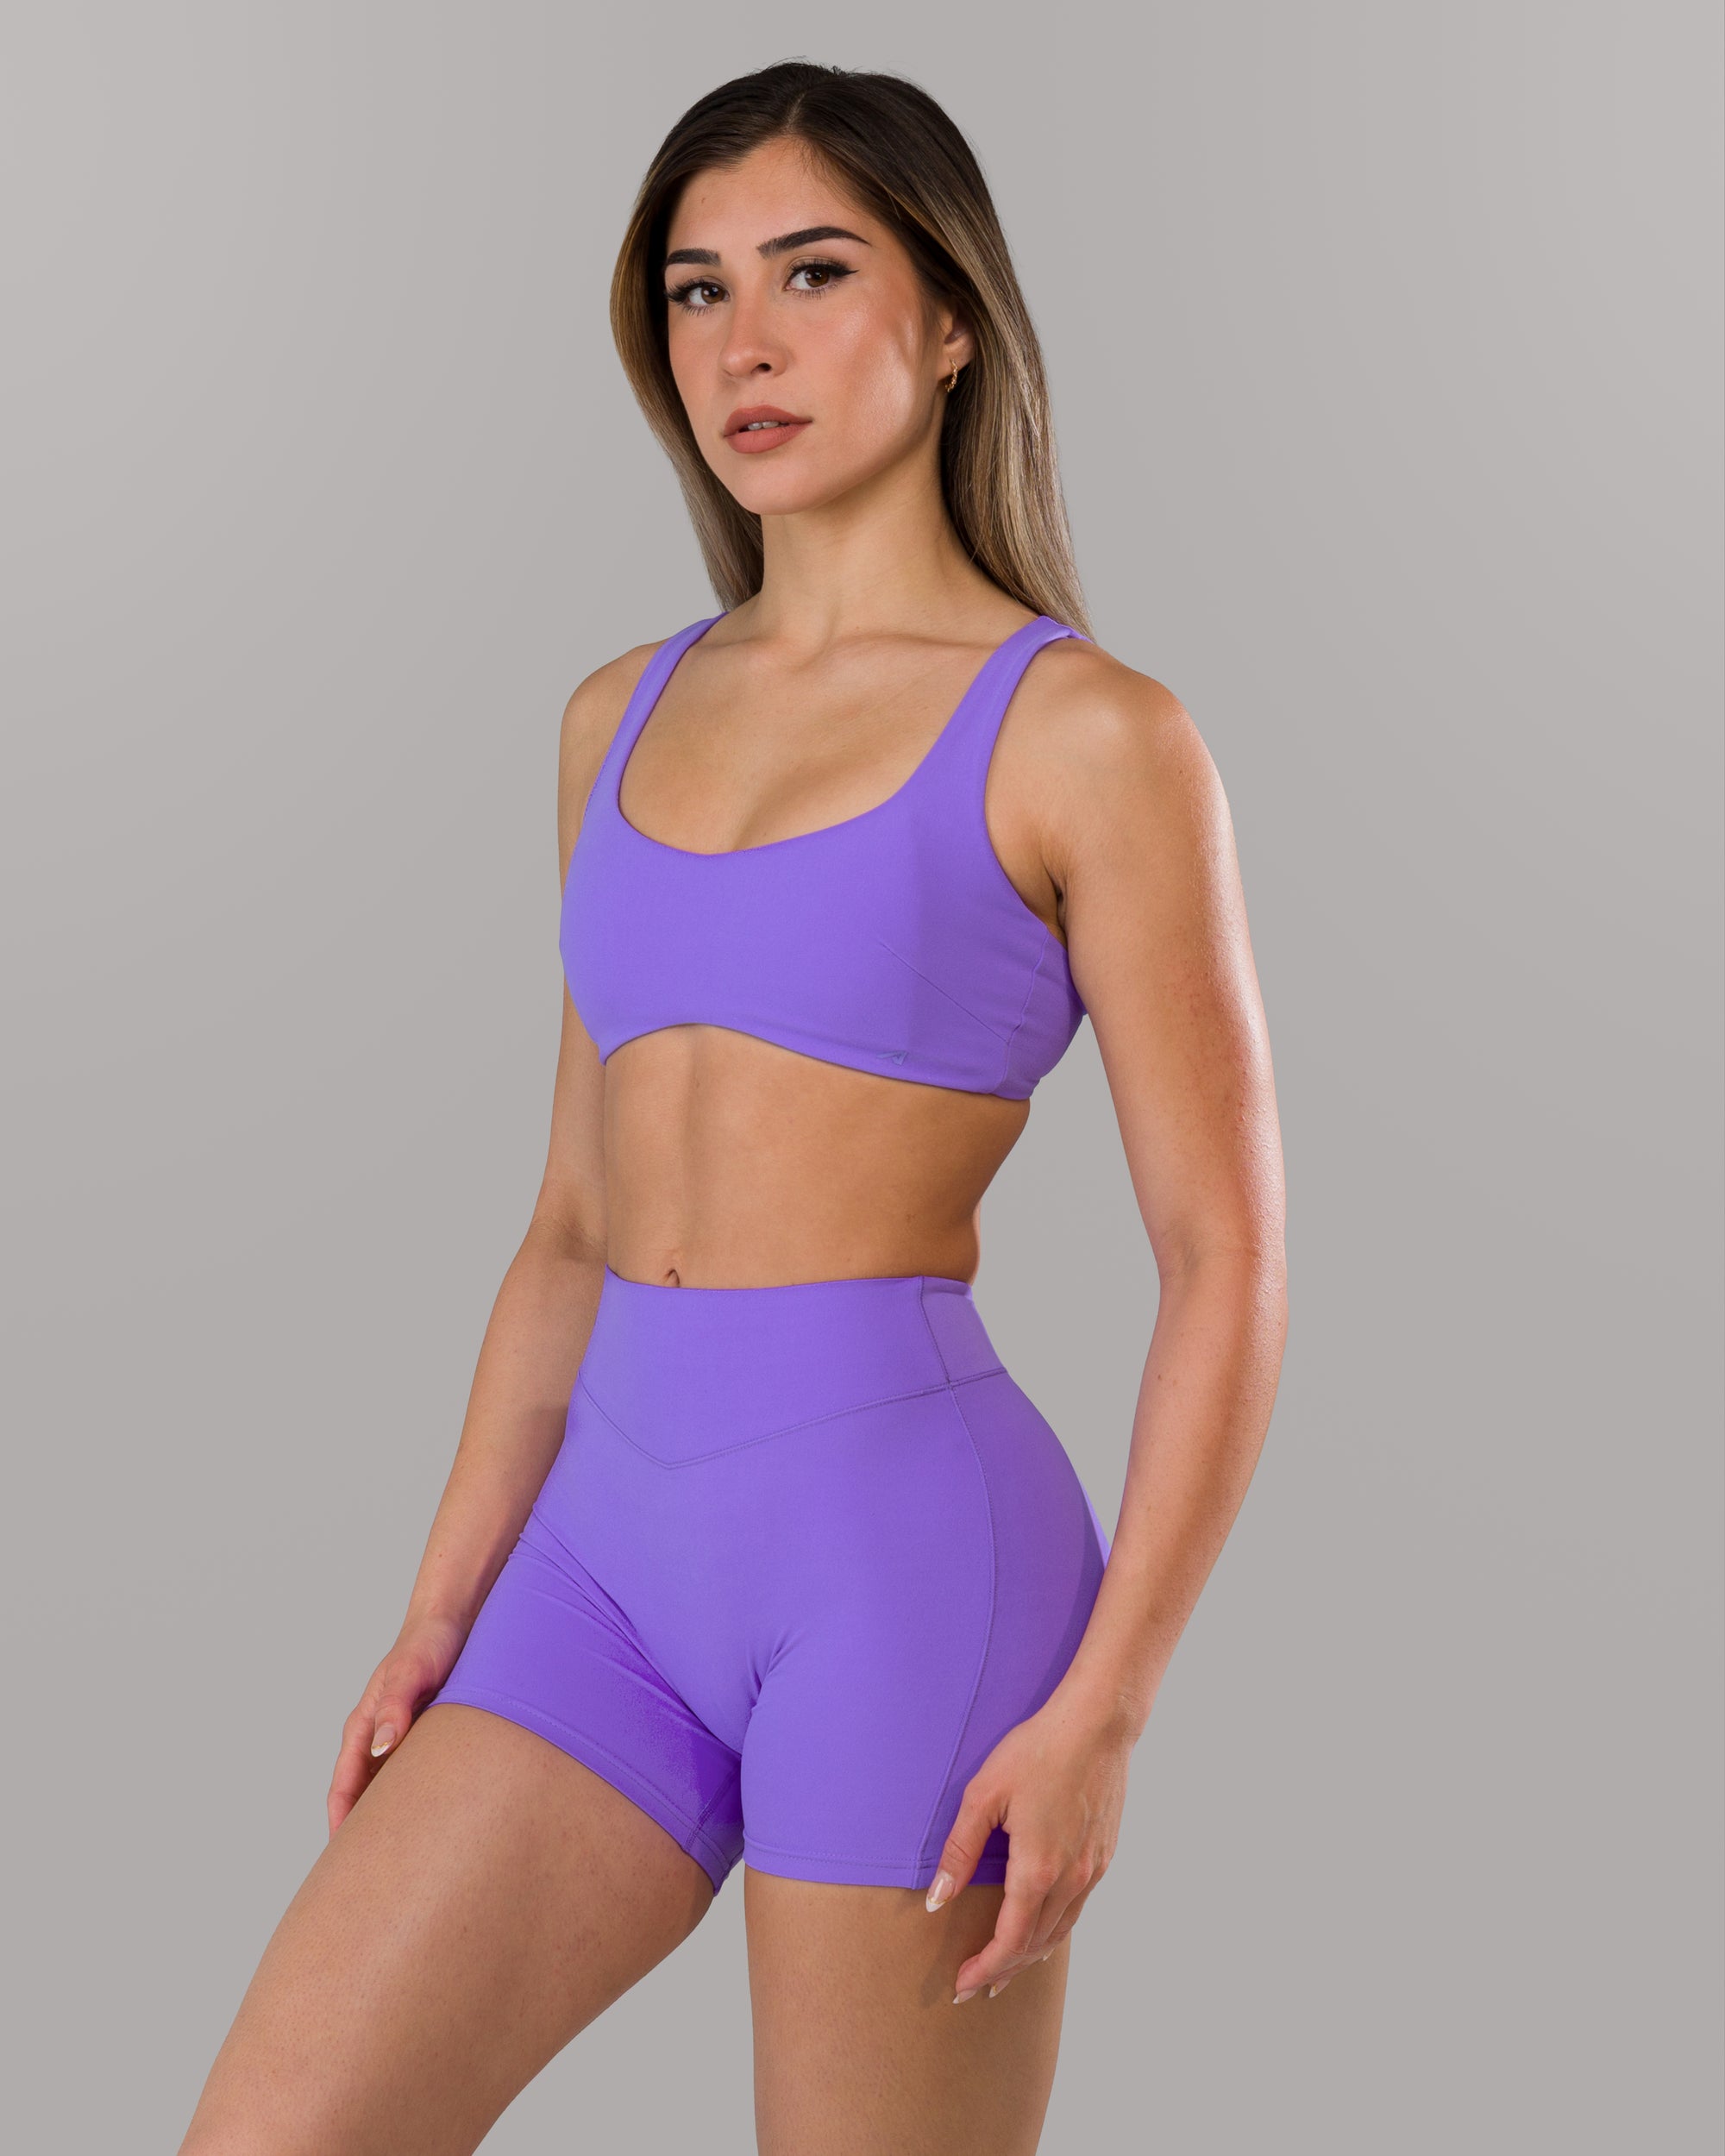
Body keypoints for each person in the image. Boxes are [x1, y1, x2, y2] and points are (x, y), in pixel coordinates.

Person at [179, 59, 1288, 2156]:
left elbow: (1221, 1254)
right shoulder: (617, 712)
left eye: (811, 273)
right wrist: (442, 1603)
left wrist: (1109, 1703)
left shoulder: (1087, 737)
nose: (741, 343)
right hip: (600, 1560)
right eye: (695, 291)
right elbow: (572, 1228)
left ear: (950, 319)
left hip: (903, 1563)